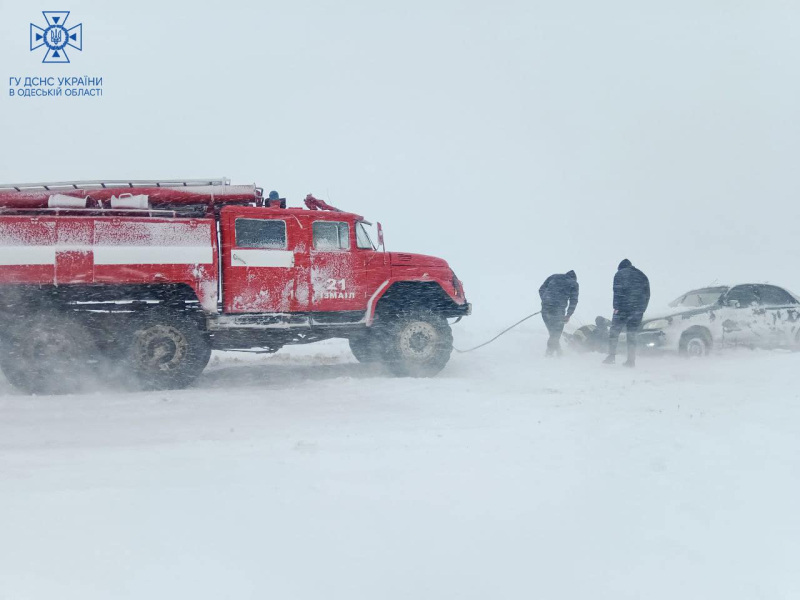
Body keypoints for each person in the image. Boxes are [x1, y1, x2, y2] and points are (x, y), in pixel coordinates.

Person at [603, 259, 650, 367]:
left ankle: (611, 356)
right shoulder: (642, 275)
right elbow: (647, 293)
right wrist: (642, 309)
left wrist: (616, 307)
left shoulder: (620, 274)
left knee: (614, 333)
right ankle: (631, 360)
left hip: (623, 309)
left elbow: (617, 291)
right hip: (638, 310)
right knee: (632, 335)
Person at [538, 270, 579, 356]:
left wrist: (546, 300)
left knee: (553, 333)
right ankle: (549, 355)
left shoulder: (553, 276)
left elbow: (541, 289)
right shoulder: (574, 283)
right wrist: (568, 314)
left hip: (545, 310)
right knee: (555, 334)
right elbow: (573, 301)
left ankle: (559, 352)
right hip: (558, 311)